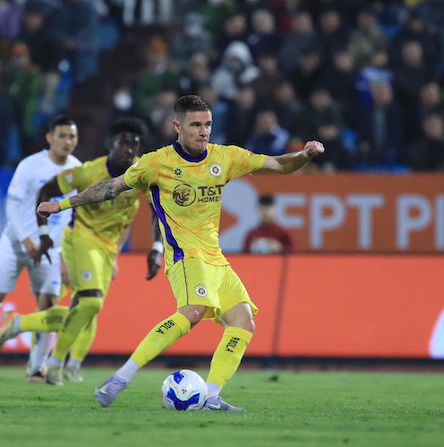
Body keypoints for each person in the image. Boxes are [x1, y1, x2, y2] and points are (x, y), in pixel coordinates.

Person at [37, 95, 324, 410]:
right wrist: (61, 204)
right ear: (178, 126)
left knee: (243, 323)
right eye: (196, 125)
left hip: (216, 258)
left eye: (208, 125)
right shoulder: (156, 163)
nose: (204, 132)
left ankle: (212, 396)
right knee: (194, 310)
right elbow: (110, 187)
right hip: (185, 257)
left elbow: (280, 164)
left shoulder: (225, 157)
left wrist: (305, 154)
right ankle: (120, 378)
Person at [0, 117, 163, 384]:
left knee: (85, 311)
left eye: (134, 144)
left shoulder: (141, 172)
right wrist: (45, 234)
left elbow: (157, 208)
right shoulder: (87, 172)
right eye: (123, 143)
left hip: (107, 247)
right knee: (91, 302)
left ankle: (17, 324)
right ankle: (56, 363)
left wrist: (156, 247)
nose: (129, 149)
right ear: (111, 144)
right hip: (81, 237)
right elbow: (47, 190)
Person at [0, 116, 81, 381]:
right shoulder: (31, 165)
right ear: (50, 138)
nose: (67, 141)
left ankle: (36, 367)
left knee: (47, 308)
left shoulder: (78, 170)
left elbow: (76, 218)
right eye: (61, 136)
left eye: (72, 136)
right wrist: (25, 238)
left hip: (51, 251)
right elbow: (11, 205)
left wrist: (66, 257)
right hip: (15, 245)